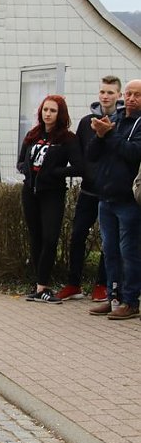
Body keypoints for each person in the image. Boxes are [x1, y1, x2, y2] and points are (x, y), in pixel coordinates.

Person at [56, 76, 121, 301]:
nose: (105, 96)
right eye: (103, 91)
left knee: (107, 240)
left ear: (118, 96)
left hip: (110, 192)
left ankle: (102, 284)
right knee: (77, 236)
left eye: (110, 92)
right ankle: (73, 284)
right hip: (88, 190)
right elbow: (82, 155)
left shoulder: (122, 121)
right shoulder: (86, 122)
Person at [17, 95, 83, 303]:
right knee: (35, 237)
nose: (48, 114)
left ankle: (43, 285)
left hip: (52, 193)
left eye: (53, 110)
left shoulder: (67, 138)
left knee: (50, 238)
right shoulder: (33, 134)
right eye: (45, 110)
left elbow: (79, 166)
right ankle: (39, 285)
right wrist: (27, 171)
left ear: (60, 113)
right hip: (30, 191)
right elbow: (20, 161)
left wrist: (55, 172)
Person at [87, 79, 141, 319]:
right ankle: (113, 297)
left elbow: (133, 153)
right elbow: (92, 155)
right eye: (128, 94)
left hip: (129, 200)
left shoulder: (139, 124)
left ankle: (130, 301)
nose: (131, 99)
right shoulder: (115, 119)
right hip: (105, 196)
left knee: (129, 252)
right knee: (109, 251)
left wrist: (109, 136)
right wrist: (99, 136)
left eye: (137, 95)